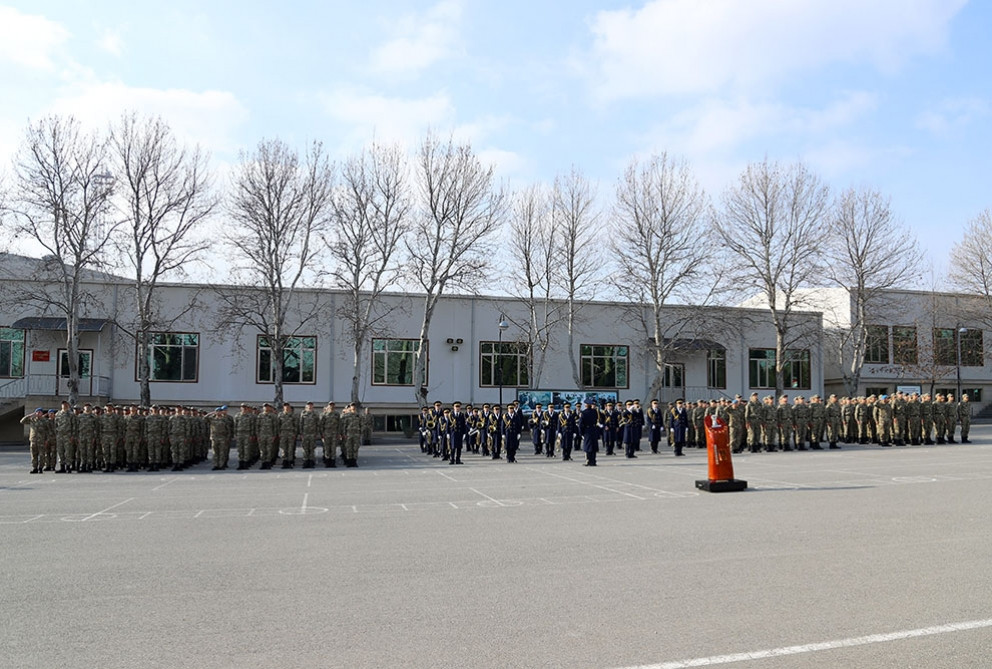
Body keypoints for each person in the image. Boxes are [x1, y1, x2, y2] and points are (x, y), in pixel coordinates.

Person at [205, 405, 234, 470]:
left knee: (222, 452)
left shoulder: (224, 420)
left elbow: (228, 429)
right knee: (215, 452)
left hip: (223, 437)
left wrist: (228, 438)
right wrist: (211, 413)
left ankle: (221, 465)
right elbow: (204, 419)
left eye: (219, 411)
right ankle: (216, 465)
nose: (218, 413)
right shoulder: (212, 419)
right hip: (214, 437)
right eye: (217, 411)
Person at [19, 408, 47, 474]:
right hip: (33, 440)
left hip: (41, 441)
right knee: (34, 455)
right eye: (37, 412)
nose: (38, 413)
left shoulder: (45, 421)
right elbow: (22, 421)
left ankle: (40, 468)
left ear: (42, 413)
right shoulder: (32, 420)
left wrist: (46, 440)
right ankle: (35, 468)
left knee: (42, 455)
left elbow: (47, 431)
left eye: (40, 412)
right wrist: (30, 415)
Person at [299, 401, 321, 468]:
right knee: (305, 448)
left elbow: (318, 424)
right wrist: (301, 433)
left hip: (312, 433)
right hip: (305, 433)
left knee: (311, 448)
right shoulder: (303, 414)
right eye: (308, 405)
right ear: (306, 406)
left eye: (311, 405)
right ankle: (306, 461)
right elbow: (301, 424)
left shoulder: (315, 414)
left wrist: (317, 433)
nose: (310, 406)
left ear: (313, 406)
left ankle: (311, 462)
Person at [579, 399, 600, 466]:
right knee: (593, 446)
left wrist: (581, 433)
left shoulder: (584, 413)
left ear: (586, 405)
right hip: (593, 430)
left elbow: (581, 424)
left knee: (588, 447)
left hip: (587, 431)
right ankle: (593, 461)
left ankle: (588, 461)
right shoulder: (594, 412)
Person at [278, 402, 298, 468]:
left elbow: (296, 425)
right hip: (283, 433)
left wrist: (295, 434)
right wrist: (279, 433)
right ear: (283, 407)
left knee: (290, 448)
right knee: (284, 448)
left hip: (291, 433)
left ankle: (290, 462)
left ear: (289, 407)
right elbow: (278, 425)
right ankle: (284, 461)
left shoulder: (293, 415)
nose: (286, 407)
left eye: (287, 406)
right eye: (285, 406)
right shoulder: (280, 415)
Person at [321, 402, 340, 467]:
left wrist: (338, 433)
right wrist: (322, 434)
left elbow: (339, 425)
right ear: (328, 406)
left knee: (333, 448)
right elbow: (321, 425)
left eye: (332, 405)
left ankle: (333, 462)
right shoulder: (325, 414)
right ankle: (327, 462)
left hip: (334, 433)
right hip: (326, 433)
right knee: (327, 448)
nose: (331, 406)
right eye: (330, 405)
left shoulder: (337, 414)